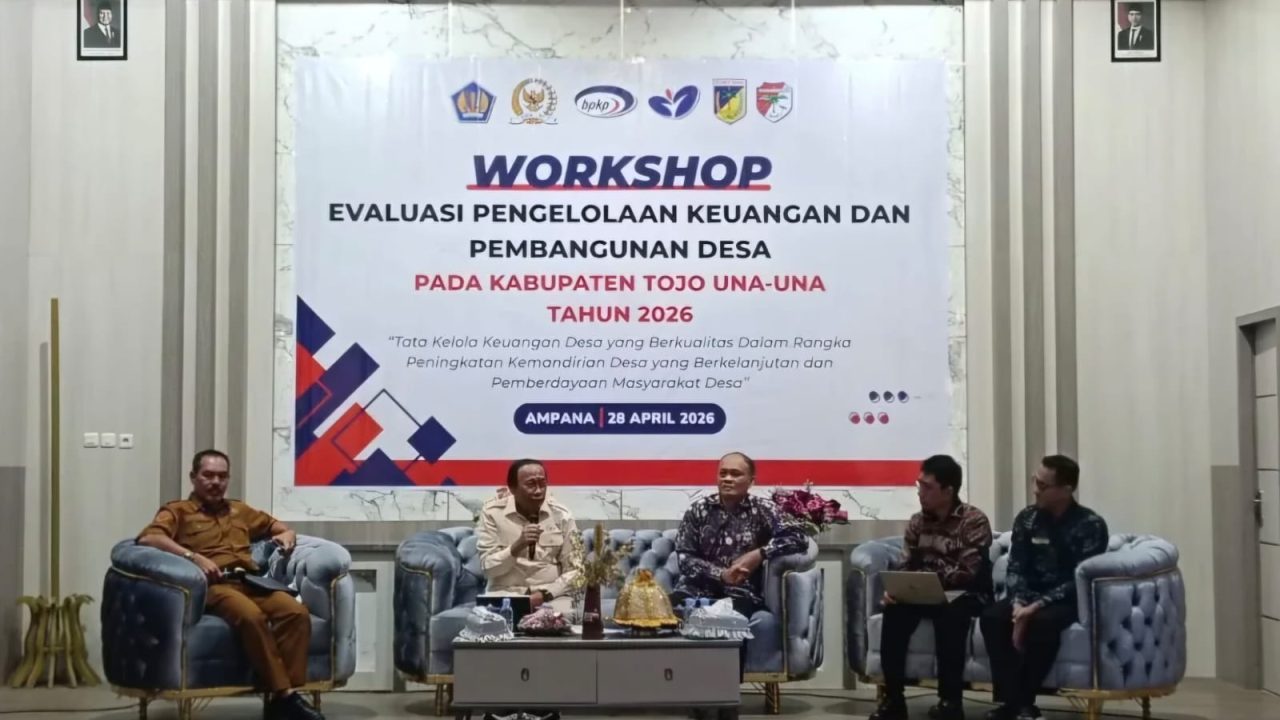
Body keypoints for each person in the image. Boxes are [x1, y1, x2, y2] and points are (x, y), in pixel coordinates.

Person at [136, 450, 322, 720]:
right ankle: (286, 697)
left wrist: (287, 533)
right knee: (251, 616)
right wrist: (193, 557)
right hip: (214, 586)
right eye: (208, 475)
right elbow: (149, 538)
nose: (216, 482)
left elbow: (275, 525)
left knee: (295, 612)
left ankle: (281, 701)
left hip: (250, 580)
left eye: (222, 477)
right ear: (193, 477)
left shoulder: (239, 511)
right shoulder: (178, 511)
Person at [979, 455, 1109, 720]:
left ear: (1066, 489)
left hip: (1065, 600)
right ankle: (1011, 703)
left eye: (1042, 485)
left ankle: (1024, 701)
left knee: (1042, 624)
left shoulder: (1090, 525)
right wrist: (1018, 603)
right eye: (1034, 481)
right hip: (1027, 595)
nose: (1035, 489)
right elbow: (1016, 566)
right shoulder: (1027, 518)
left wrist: (1035, 608)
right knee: (992, 617)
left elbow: (1079, 578)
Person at [870, 455, 993, 720]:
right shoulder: (917, 522)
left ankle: (950, 702)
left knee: (951, 616)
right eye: (919, 485)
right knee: (894, 612)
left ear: (948, 491)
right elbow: (905, 563)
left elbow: (968, 571)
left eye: (927, 487)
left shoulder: (973, 520)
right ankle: (893, 699)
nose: (920, 493)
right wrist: (898, 588)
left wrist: (928, 579)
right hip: (924, 592)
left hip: (966, 594)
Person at [671, 452, 808, 615]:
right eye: (723, 474)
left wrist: (760, 553)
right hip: (693, 592)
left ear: (751, 481)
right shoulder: (698, 509)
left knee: (735, 617)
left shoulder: (763, 509)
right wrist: (722, 574)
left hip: (740, 595)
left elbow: (798, 537)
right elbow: (685, 559)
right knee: (661, 613)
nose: (727, 479)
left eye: (735, 474)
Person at [476, 459, 582, 616]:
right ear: (512, 488)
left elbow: (576, 570)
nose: (539, 491)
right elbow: (488, 569)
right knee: (490, 621)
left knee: (561, 618)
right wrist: (517, 546)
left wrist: (545, 594)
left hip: (550, 596)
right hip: (505, 594)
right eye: (531, 484)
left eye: (542, 484)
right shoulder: (492, 514)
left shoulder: (561, 515)